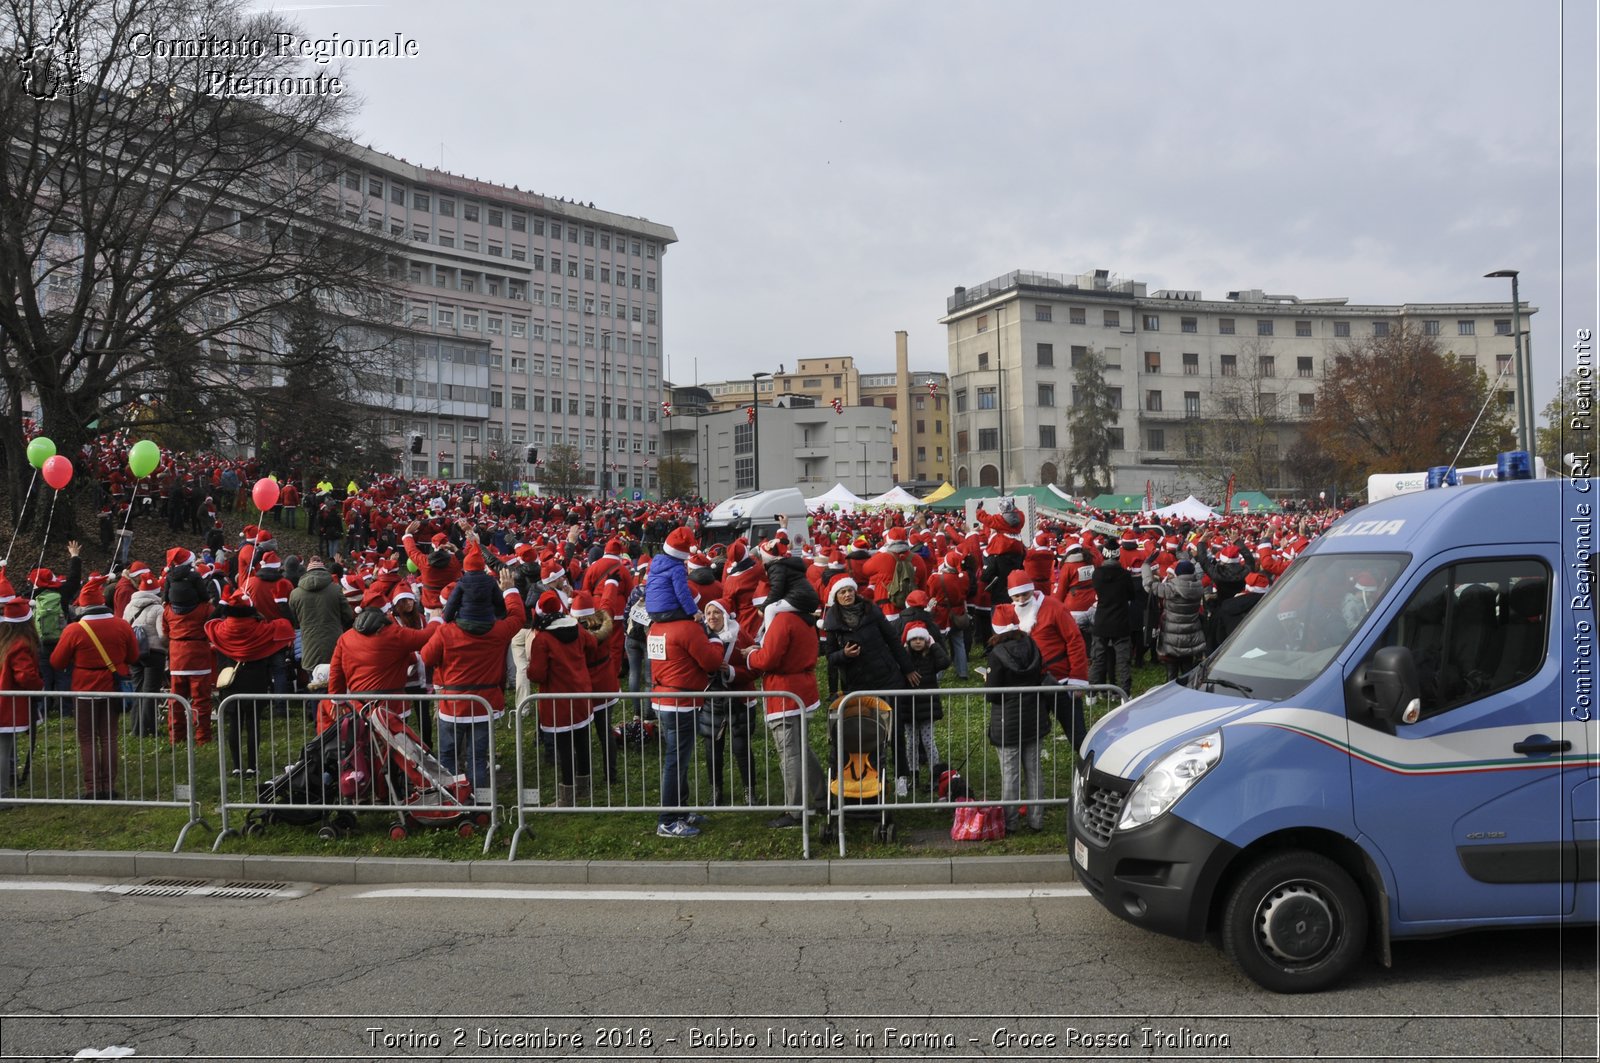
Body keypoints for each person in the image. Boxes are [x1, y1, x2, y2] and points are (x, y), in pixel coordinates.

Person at [419, 566, 524, 795]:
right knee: (477, 756)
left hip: (452, 704)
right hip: (484, 704)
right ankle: (480, 801)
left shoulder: (446, 632)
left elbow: (426, 657)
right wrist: (510, 591)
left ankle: (452, 799)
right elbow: (518, 616)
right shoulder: (499, 630)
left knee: (448, 754)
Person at [51, 573, 141, 799]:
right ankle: (109, 786)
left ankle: (93, 788)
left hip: (84, 688)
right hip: (112, 686)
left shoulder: (74, 630)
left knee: (87, 738)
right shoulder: (121, 625)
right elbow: (133, 656)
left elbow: (56, 661)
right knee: (109, 737)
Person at [647, 601, 728, 838]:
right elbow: (711, 662)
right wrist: (713, 640)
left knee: (677, 759)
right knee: (676, 761)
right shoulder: (687, 629)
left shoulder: (656, 626)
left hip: (663, 697)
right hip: (680, 702)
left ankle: (679, 812)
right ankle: (669, 819)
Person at [744, 596, 824, 829]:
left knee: (789, 754)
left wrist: (750, 656)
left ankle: (795, 810)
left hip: (784, 694)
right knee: (801, 749)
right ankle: (822, 796)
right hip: (802, 689)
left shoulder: (783, 621)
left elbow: (769, 658)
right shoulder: (805, 620)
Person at [204, 588, 295, 779]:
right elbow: (285, 625)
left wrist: (223, 604)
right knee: (253, 723)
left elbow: (208, 623)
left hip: (230, 681)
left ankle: (237, 766)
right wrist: (259, 616)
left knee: (234, 723)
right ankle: (252, 766)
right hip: (255, 679)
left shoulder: (220, 629)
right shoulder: (260, 628)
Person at [524, 591, 599, 807]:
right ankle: (584, 786)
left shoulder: (542, 639)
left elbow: (538, 673)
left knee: (565, 746)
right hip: (581, 692)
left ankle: (567, 795)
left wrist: (529, 669)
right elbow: (592, 646)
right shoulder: (577, 628)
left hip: (557, 699)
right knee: (582, 739)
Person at [984, 603, 1048, 833]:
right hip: (1033, 717)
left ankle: (1010, 822)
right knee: (1034, 770)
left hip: (1007, 722)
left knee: (1010, 773)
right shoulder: (1033, 645)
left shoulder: (996, 655)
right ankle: (1036, 819)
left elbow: (992, 694)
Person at [699, 599, 759, 807]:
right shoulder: (701, 636)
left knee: (741, 747)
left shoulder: (740, 635)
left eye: (717, 613)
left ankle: (749, 792)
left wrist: (731, 672)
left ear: (725, 615)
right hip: (712, 700)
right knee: (712, 748)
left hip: (739, 698)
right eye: (708, 613)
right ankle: (716, 793)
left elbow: (755, 667)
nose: (712, 617)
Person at [162, 547, 216, 748]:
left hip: (177, 655)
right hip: (199, 656)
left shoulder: (167, 610)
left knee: (176, 700)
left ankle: (176, 737)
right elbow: (212, 627)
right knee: (201, 700)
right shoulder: (205, 609)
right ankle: (203, 738)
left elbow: (165, 632)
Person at [895, 623, 948, 798]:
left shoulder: (932, 656)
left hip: (927, 707)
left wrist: (934, 644)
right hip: (908, 706)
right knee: (911, 742)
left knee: (928, 741)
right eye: (914, 639)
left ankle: (935, 775)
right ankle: (914, 774)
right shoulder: (904, 658)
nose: (918, 642)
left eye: (921, 639)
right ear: (908, 641)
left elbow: (945, 662)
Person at [0, 598, 43, 807]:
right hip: (6, 704)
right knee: (3, 750)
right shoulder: (20, 644)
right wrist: (39, 685)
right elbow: (25, 676)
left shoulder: (5, 640)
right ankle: (2, 795)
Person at [1088, 537, 1138, 699]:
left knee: (1098, 658)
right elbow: (1131, 595)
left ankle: (1092, 695)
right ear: (1117, 555)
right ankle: (1124, 694)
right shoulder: (1124, 575)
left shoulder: (1097, 574)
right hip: (1120, 621)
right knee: (1122, 660)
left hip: (1102, 620)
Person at [290, 556, 354, 681]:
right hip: (334, 641)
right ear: (325, 571)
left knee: (314, 680)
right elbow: (348, 615)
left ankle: (315, 701)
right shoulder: (336, 589)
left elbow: (294, 620)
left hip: (309, 643)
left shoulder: (295, 594)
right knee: (337, 679)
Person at [1142, 558, 1207, 681]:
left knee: (1171, 671)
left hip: (1171, 637)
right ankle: (1189, 694)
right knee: (1188, 670)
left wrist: (1146, 565)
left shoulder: (1170, 589)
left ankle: (1171, 694)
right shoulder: (1199, 588)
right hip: (1191, 635)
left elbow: (1148, 586)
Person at [121, 571, 167, 735]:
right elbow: (162, 635)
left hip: (135, 652)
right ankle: (148, 729)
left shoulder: (129, 606)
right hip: (154, 654)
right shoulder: (158, 609)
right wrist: (167, 647)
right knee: (151, 691)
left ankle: (136, 728)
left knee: (138, 690)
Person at [645, 526, 701, 624]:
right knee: (700, 621)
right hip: (667, 611)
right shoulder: (678, 568)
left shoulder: (655, 562)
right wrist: (694, 611)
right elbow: (682, 592)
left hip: (650, 610)